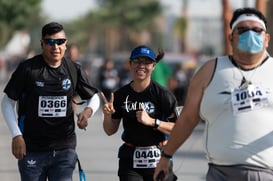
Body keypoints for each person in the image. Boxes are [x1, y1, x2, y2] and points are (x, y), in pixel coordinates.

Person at [154, 7, 273, 181]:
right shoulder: (210, 70)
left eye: (256, 30)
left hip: (265, 174)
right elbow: (187, 119)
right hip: (219, 173)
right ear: (230, 37)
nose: (250, 34)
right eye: (243, 30)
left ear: (266, 39)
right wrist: (166, 156)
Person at [1, 22, 100, 181]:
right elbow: (7, 102)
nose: (56, 47)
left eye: (60, 42)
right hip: (32, 149)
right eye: (50, 42)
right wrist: (16, 135)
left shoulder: (74, 69)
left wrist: (87, 113)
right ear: (42, 44)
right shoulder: (28, 69)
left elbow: (93, 97)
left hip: (64, 150)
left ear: (66, 44)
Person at [101, 45, 178, 181]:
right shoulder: (120, 95)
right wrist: (107, 116)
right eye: (137, 61)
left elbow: (178, 130)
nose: (141, 66)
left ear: (153, 66)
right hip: (130, 160)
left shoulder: (164, 95)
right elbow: (110, 130)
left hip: (159, 159)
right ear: (130, 64)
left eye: (146, 62)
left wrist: (153, 122)